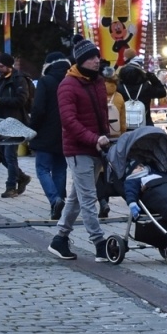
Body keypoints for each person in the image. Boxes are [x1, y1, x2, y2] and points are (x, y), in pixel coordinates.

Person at [50, 37, 113, 261]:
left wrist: (104, 137)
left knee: (76, 197)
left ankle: (59, 238)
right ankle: (99, 243)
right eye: (93, 58)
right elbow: (69, 120)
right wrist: (93, 138)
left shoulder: (96, 81)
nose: (98, 61)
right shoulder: (68, 85)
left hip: (97, 147)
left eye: (97, 57)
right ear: (82, 61)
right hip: (78, 149)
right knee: (88, 197)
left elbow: (101, 114)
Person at [0, 52, 31, 197]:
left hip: (14, 123)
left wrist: (0, 101)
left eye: (1, 66)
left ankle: (11, 187)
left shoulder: (19, 79)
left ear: (10, 66)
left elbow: (21, 100)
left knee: (10, 156)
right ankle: (22, 177)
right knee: (1, 156)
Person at [29, 50, 70, 222]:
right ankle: (59, 204)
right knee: (60, 169)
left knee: (42, 169)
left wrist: (33, 128)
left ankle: (55, 200)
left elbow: (38, 109)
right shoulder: (71, 80)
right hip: (66, 131)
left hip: (45, 132)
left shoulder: (46, 81)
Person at [115, 53, 167, 131]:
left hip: (125, 126)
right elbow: (162, 92)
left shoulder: (119, 88)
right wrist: (151, 77)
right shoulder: (145, 87)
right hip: (145, 125)